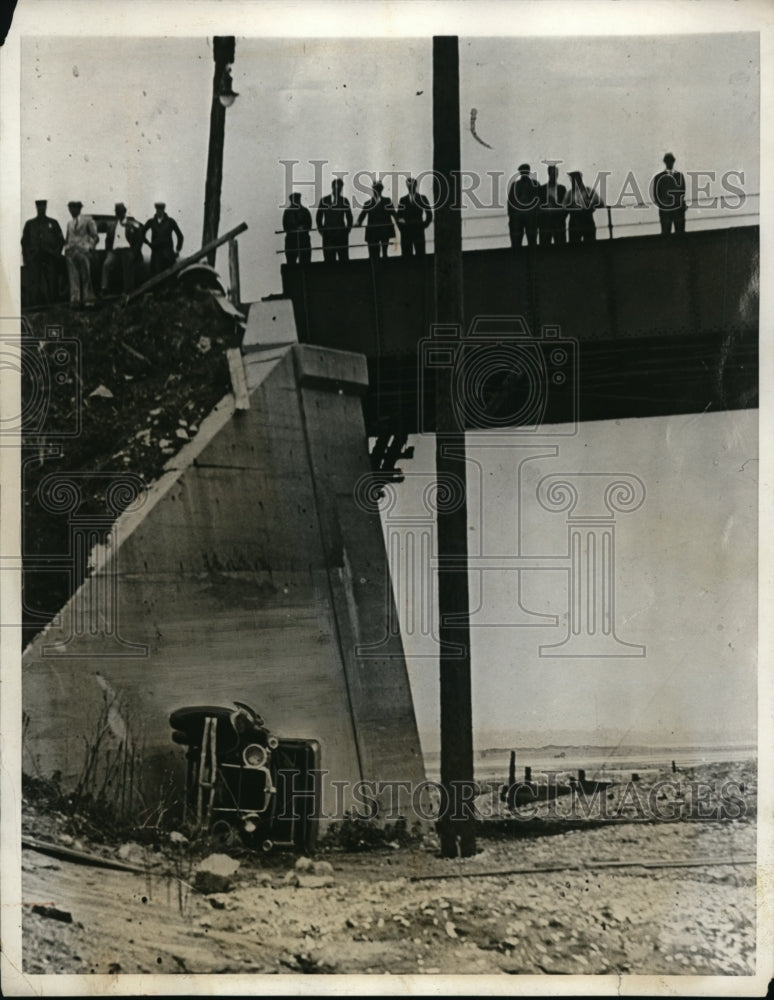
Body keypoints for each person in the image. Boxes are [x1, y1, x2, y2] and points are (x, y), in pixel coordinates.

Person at [21, 199, 64, 305]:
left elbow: (61, 240)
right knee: (35, 282)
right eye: (39, 206)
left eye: (43, 206)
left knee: (51, 281)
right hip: (35, 257)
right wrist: (27, 258)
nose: (41, 208)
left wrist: (56, 254)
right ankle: (35, 305)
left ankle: (53, 304)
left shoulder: (53, 223)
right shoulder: (30, 224)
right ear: (36, 207)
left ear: (46, 207)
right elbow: (24, 242)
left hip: (50, 256)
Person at [101, 202, 142, 295]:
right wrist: (108, 251)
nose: (119, 214)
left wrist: (134, 252)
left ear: (124, 212)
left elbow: (139, 239)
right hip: (115, 251)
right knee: (106, 264)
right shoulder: (112, 225)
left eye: (120, 212)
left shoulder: (131, 224)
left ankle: (127, 290)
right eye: (117, 212)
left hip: (127, 250)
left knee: (127, 266)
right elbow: (108, 240)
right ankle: (104, 288)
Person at [64, 200, 98, 307]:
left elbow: (95, 236)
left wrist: (89, 247)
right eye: (70, 208)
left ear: (79, 208)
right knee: (73, 277)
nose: (71, 210)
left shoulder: (88, 220)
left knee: (86, 276)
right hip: (71, 252)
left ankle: (89, 301)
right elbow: (68, 237)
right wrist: (67, 248)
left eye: (74, 207)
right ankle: (75, 301)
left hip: (83, 252)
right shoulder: (69, 223)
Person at [356, 181, 397, 260]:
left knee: (385, 253)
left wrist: (399, 219)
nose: (377, 191)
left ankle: (384, 268)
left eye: (379, 189)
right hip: (373, 232)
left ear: (381, 190)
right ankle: (375, 269)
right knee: (374, 254)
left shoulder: (387, 201)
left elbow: (393, 213)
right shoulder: (368, 203)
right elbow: (362, 215)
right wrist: (358, 222)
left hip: (384, 230)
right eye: (376, 189)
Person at [316, 179, 353, 262]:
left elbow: (349, 217)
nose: (338, 190)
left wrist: (347, 231)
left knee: (343, 260)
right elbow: (319, 216)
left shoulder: (344, 201)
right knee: (329, 262)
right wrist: (321, 230)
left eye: (340, 188)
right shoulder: (324, 200)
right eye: (337, 188)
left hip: (341, 236)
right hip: (328, 236)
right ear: (332, 187)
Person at [142, 202, 184, 276]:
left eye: (161, 210)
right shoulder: (151, 222)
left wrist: (178, 250)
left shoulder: (170, 221)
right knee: (155, 277)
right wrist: (149, 243)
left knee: (169, 277)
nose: (159, 211)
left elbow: (180, 236)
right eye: (158, 210)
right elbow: (141, 233)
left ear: (164, 210)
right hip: (156, 255)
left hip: (168, 255)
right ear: (156, 210)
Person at [396, 176, 433, 257]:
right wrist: (402, 228)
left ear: (415, 186)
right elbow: (398, 216)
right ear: (407, 187)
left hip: (418, 229)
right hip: (406, 231)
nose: (410, 187)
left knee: (420, 253)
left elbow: (429, 213)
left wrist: (424, 225)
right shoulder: (403, 200)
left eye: (412, 185)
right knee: (406, 255)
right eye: (409, 186)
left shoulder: (422, 198)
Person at [651, 152, 687, 235]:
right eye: (668, 161)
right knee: (669, 233)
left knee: (677, 232)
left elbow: (682, 192)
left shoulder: (660, 177)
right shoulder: (678, 176)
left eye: (670, 161)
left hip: (670, 208)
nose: (670, 163)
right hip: (669, 208)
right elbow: (656, 194)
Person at [564, 171, 603, 244]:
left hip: (587, 220)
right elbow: (563, 206)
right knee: (574, 245)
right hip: (574, 221)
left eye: (574, 179)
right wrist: (571, 206)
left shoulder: (589, 191)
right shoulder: (569, 193)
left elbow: (601, 203)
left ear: (580, 179)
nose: (572, 181)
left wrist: (590, 203)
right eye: (571, 179)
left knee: (590, 244)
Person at [507, 163, 539, 248]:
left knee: (532, 241)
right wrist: (511, 216)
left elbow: (539, 200)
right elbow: (510, 201)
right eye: (522, 171)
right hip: (518, 216)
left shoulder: (535, 184)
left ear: (528, 172)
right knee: (516, 241)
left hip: (530, 216)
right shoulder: (515, 185)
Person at [537, 166, 568, 246]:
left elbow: (565, 206)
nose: (554, 176)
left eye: (555, 174)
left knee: (561, 245)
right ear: (548, 174)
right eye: (552, 174)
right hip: (545, 222)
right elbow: (538, 205)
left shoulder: (562, 189)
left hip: (558, 222)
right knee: (544, 247)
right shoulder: (541, 189)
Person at [282, 193, 313, 264]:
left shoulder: (305, 211)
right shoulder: (287, 212)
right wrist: (293, 228)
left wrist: (302, 228)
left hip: (303, 239)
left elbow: (309, 225)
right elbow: (285, 226)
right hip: (291, 240)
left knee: (305, 261)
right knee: (291, 262)